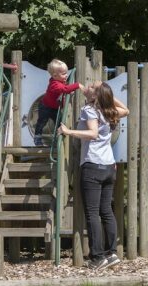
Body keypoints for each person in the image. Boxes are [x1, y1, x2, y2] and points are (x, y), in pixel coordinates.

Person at [58, 81, 129, 270]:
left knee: (92, 213)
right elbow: (127, 110)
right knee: (106, 210)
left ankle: (97, 257)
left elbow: (92, 133)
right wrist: (105, 95)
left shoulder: (89, 110)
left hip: (93, 165)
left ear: (95, 95)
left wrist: (68, 131)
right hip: (108, 167)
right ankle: (112, 253)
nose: (87, 86)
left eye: (92, 86)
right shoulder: (110, 112)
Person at [34, 59, 83, 146]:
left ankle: (58, 139)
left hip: (55, 108)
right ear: (55, 75)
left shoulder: (60, 81)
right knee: (42, 122)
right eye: (63, 74)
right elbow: (65, 89)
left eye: (66, 73)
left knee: (59, 122)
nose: (66, 75)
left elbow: (65, 88)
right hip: (45, 106)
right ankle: (37, 137)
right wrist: (77, 85)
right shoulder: (54, 84)